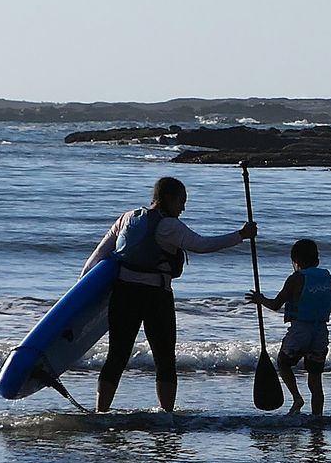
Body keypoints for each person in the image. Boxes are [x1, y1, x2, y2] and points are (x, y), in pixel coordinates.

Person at [81, 176, 255, 413]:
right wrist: (240, 235)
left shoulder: (127, 218)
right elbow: (202, 244)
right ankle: (166, 414)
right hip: (155, 297)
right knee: (164, 357)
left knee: (117, 355)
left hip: (123, 295)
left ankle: (100, 412)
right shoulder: (169, 225)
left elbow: (97, 257)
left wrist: (80, 293)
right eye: (182, 202)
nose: (183, 208)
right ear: (169, 199)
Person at [246, 238, 331, 416]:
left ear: (296, 261)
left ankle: (297, 397)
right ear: (317, 260)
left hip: (300, 331)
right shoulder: (326, 276)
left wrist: (259, 299)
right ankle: (317, 419)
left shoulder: (296, 278)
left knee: (283, 362)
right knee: (315, 379)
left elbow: (275, 305)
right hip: (321, 332)